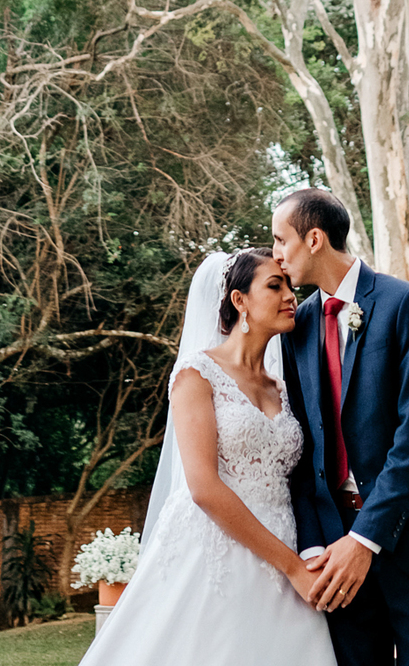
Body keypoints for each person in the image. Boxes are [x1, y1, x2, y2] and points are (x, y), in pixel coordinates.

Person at [77, 247, 337, 666]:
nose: (291, 296)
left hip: (284, 548)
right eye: (275, 285)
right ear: (239, 300)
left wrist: (304, 558)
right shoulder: (197, 375)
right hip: (215, 550)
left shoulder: (283, 387)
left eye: (290, 285)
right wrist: (292, 568)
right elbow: (203, 487)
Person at [273, 187, 409, 666]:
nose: (277, 254)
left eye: (281, 240)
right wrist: (315, 546)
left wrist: (365, 539)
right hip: (334, 548)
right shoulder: (297, 326)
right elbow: (300, 446)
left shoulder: (406, 303)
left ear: (314, 239)